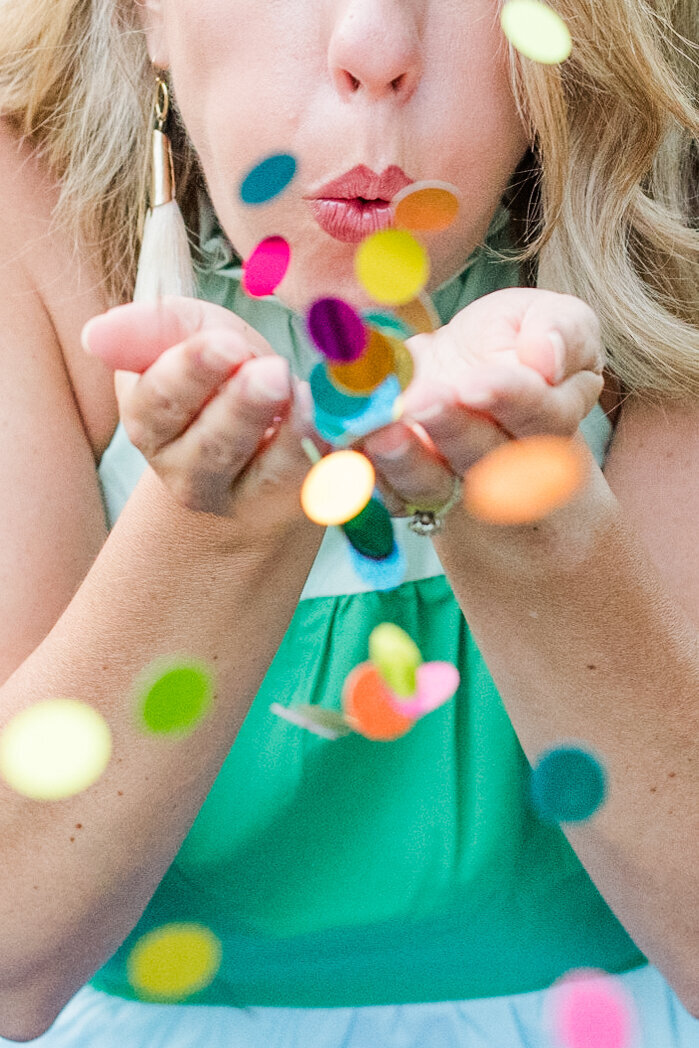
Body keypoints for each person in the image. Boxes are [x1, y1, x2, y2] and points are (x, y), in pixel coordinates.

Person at [0, 0, 697, 1044]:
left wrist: (528, 522)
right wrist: (218, 522)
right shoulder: (25, 198)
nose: (375, 47)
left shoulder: (667, 180)